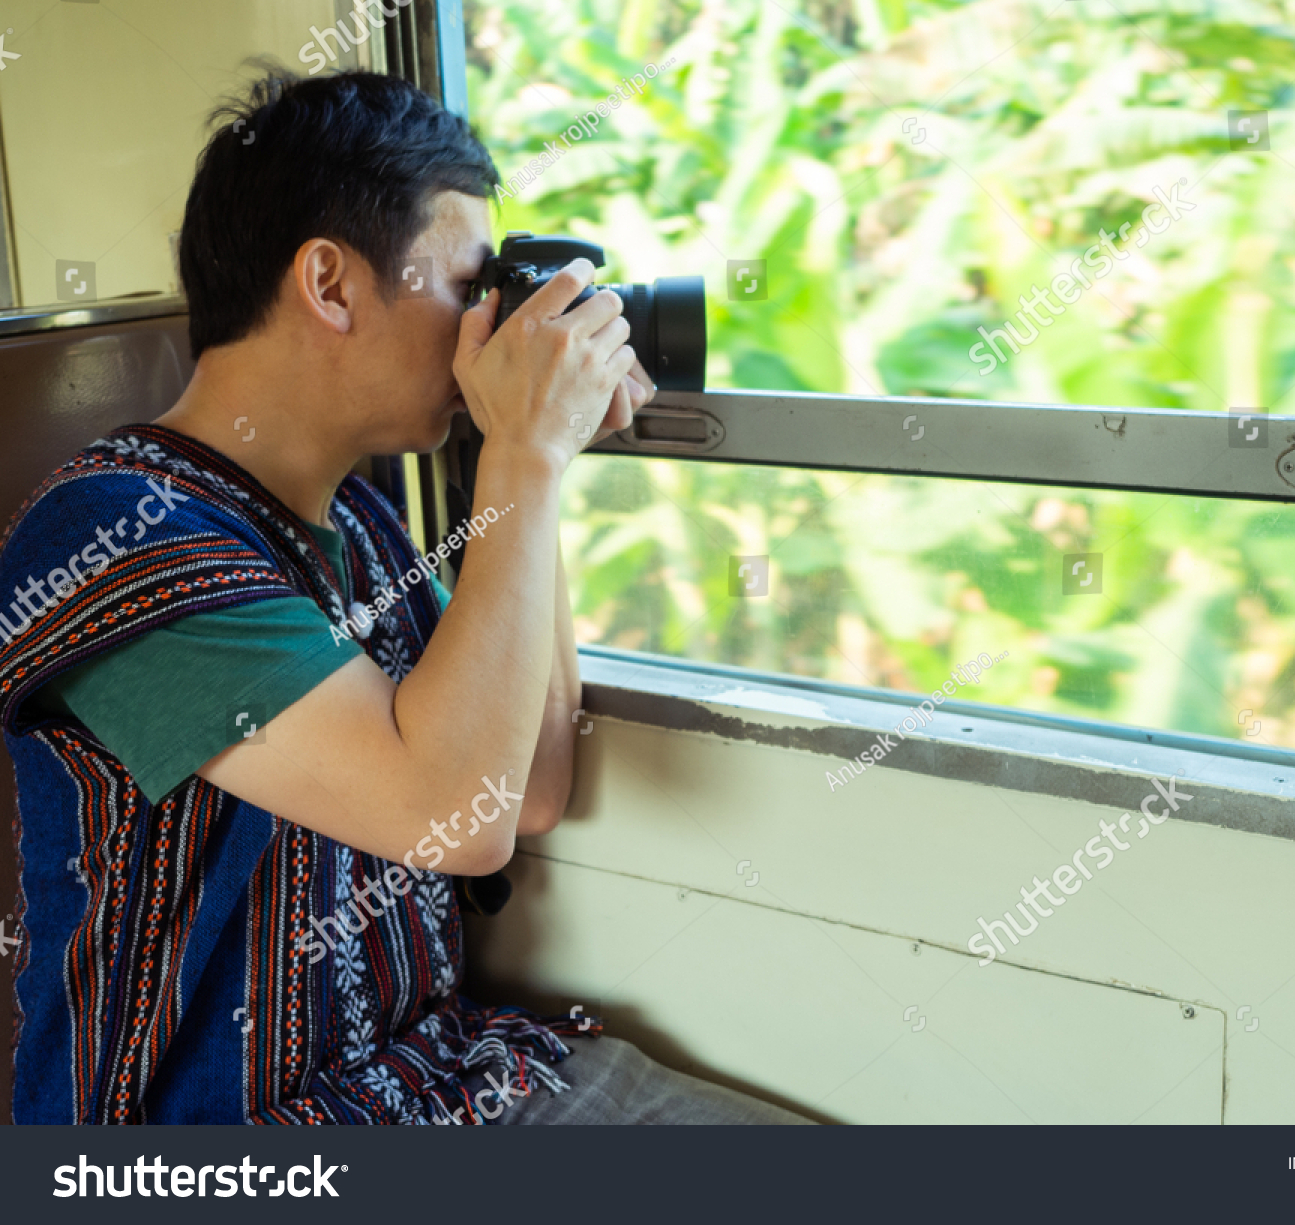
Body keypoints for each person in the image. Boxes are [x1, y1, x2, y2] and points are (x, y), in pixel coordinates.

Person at [0, 70, 807, 1125]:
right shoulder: (117, 539)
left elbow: (525, 793)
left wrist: (537, 464)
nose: (489, 329)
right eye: (470, 286)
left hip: (430, 1080)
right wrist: (525, 449)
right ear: (331, 284)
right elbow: (453, 817)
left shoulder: (363, 524)